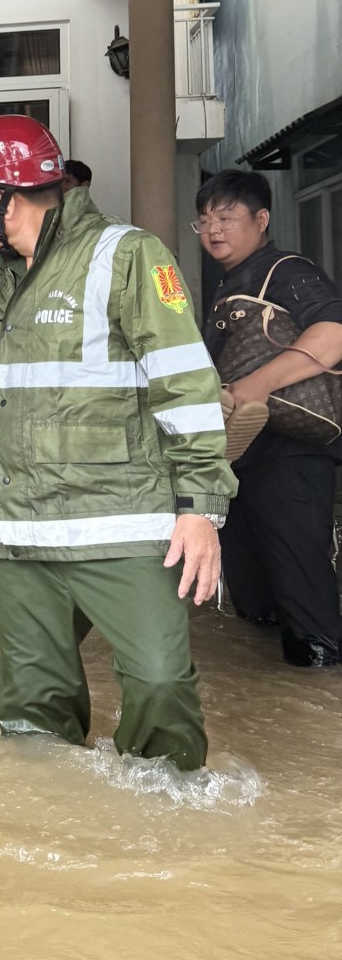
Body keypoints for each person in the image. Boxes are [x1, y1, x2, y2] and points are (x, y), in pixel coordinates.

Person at [0, 115, 237, 770]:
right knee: (32, 713)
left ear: (5, 195)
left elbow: (186, 385)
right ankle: (50, 823)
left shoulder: (129, 256)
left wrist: (201, 507)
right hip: (24, 532)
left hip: (124, 524)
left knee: (161, 685)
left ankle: (173, 830)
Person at [195, 169, 342, 667]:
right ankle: (271, 700)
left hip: (292, 452)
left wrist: (254, 385)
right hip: (245, 454)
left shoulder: (286, 270)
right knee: (255, 594)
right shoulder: (229, 283)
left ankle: (317, 677)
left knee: (301, 589)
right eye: (205, 220)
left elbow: (333, 334)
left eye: (227, 216)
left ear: (261, 219)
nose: (214, 228)